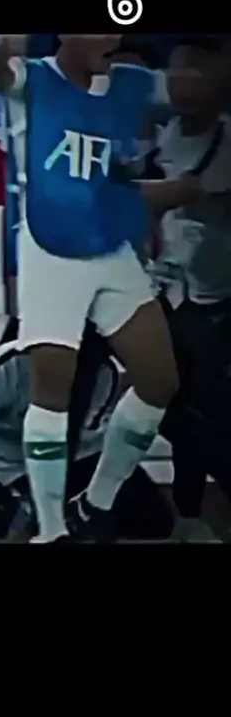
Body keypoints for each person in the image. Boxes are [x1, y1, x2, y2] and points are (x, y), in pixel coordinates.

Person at [0, 34, 212, 544]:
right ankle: (51, 530)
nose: (110, 36)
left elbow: (191, 90)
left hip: (111, 248)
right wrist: (6, 47)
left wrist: (203, 76)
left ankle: (94, 504)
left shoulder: (129, 84)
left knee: (159, 381)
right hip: (50, 250)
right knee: (52, 392)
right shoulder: (34, 79)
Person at [0, 331, 174, 541]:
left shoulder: (105, 373)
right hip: (20, 465)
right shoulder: (7, 365)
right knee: (38, 522)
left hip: (82, 457)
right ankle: (2, 494)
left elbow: (85, 438)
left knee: (155, 522)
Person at [147, 36, 231, 541]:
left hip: (221, 301)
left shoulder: (226, 142)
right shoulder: (167, 137)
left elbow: (178, 193)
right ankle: (188, 515)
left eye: (195, 72)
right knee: (174, 412)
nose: (182, 84)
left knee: (212, 416)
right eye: (175, 73)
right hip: (176, 296)